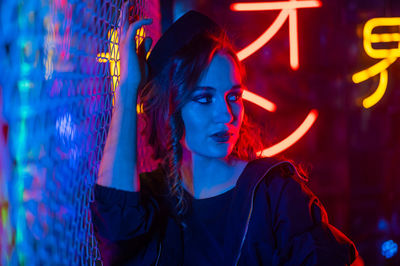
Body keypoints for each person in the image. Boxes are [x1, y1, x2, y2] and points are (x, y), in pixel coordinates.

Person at [90, 4, 358, 265]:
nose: (227, 115)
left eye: (234, 96)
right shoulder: (151, 199)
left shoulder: (274, 193)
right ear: (169, 107)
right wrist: (127, 89)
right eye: (204, 98)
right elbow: (116, 231)